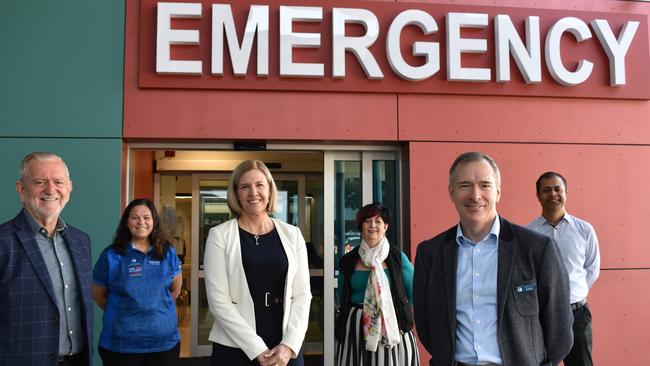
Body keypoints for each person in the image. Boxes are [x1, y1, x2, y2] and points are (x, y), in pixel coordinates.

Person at [413, 151, 573, 366]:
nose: (475, 195)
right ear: (451, 193)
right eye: (465, 185)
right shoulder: (429, 254)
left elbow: (560, 329)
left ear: (498, 192)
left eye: (485, 185)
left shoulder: (537, 249)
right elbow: (426, 325)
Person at [204, 160, 312, 366]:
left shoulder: (293, 234)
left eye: (260, 185)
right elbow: (218, 301)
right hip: (234, 347)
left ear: (270, 190)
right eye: (245, 186)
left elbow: (302, 294)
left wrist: (289, 345)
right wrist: (257, 349)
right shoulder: (219, 236)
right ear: (236, 194)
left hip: (285, 347)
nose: (253, 192)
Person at [0, 152, 93, 365]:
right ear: (21, 190)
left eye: (58, 182)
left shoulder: (81, 241)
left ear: (69, 188)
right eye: (40, 182)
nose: (51, 189)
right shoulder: (3, 241)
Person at [92, 198, 182, 366]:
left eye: (146, 217)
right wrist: (125, 310)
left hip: (164, 345)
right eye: (135, 217)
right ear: (127, 222)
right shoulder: (111, 255)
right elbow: (98, 295)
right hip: (121, 346)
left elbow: (175, 290)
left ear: (154, 222)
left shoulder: (167, 252)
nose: (141, 222)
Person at [527, 172, 600, 366]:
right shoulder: (528, 233)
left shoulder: (584, 230)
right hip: (540, 317)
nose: (553, 194)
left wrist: (574, 292)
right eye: (547, 190)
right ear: (538, 195)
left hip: (577, 315)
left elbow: (592, 268)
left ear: (566, 193)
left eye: (558, 189)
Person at [335, 203, 420, 366]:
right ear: (361, 226)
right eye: (367, 221)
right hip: (355, 328)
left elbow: (413, 292)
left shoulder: (397, 258)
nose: (373, 225)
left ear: (386, 226)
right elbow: (342, 295)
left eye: (378, 221)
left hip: (392, 324)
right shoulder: (348, 260)